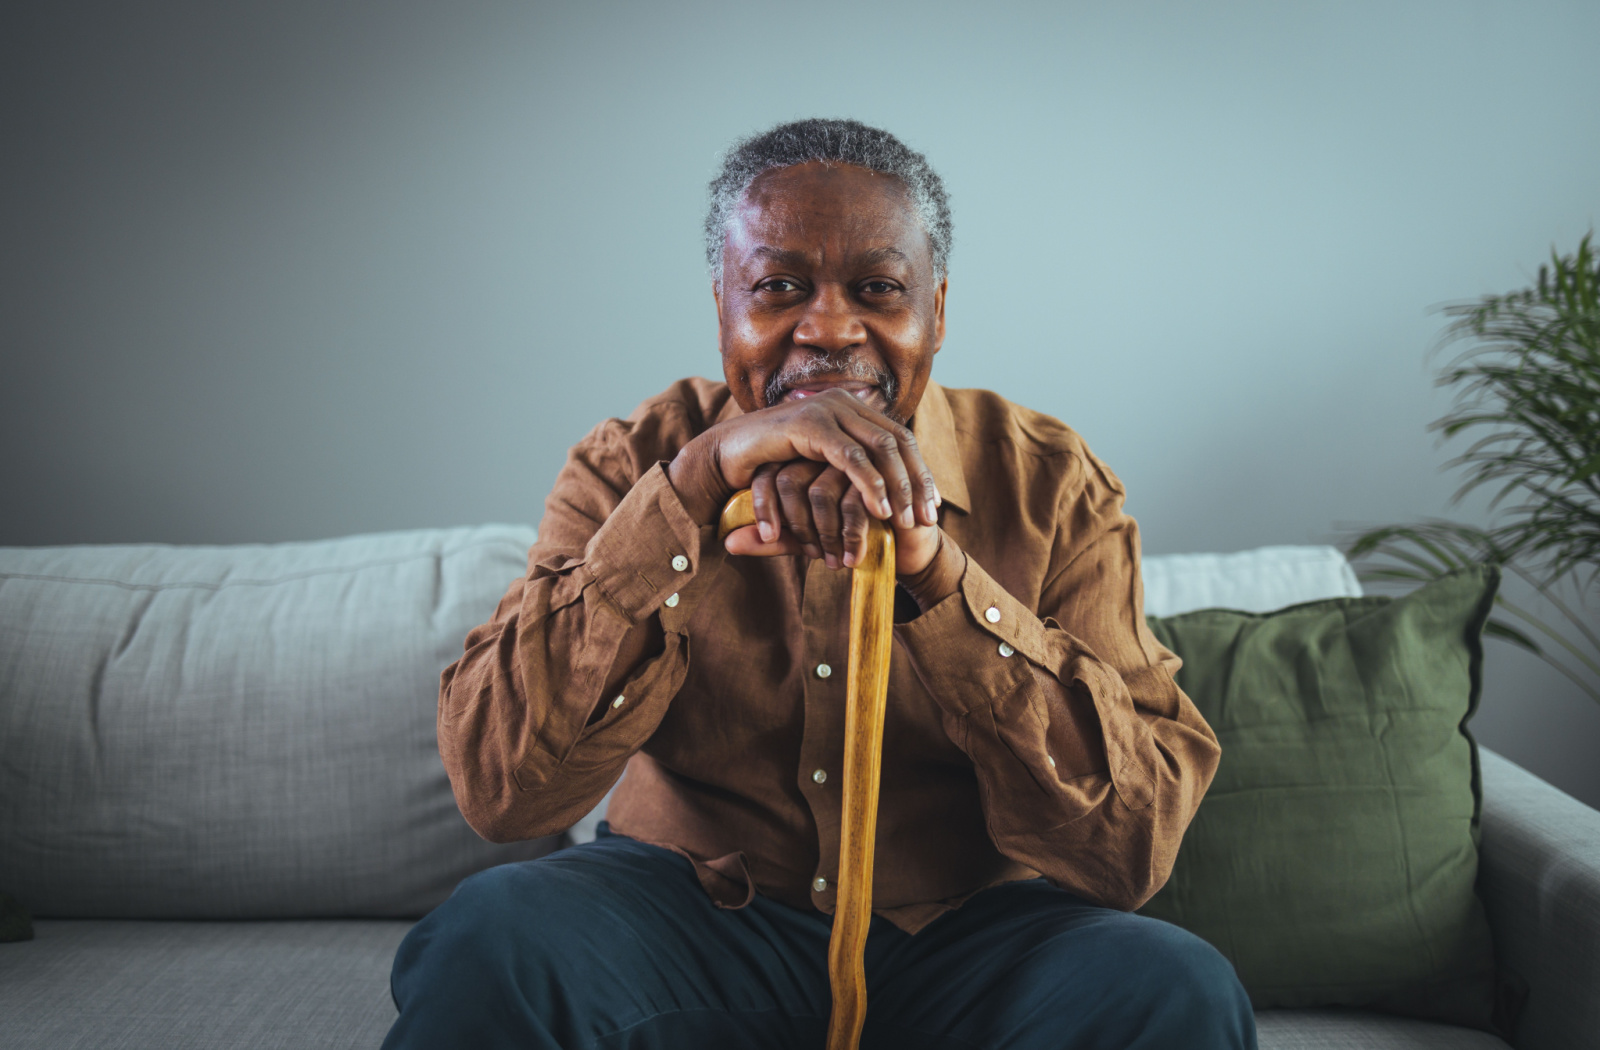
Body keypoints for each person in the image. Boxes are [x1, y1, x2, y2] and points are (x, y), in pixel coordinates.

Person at [382, 118, 1256, 1050]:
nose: (830, 328)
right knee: (492, 939)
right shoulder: (630, 463)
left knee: (1174, 987)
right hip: (688, 918)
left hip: (973, 937)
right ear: (723, 304)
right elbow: (500, 791)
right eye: (778, 289)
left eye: (878, 289)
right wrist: (690, 489)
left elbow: (1131, 848)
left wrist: (940, 578)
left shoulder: (1051, 482)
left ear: (938, 311)